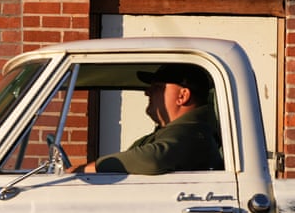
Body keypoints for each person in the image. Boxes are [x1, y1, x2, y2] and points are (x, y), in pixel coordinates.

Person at [75, 64, 223, 175]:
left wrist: (92, 168)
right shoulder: (168, 134)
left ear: (182, 96)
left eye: (158, 87)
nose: (147, 93)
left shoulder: (195, 134)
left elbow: (153, 160)